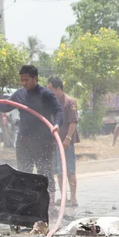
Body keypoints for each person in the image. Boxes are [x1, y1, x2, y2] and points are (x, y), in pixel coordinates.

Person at [0, 65, 63, 204]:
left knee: (44, 172)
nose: (24, 83)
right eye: (22, 80)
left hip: (43, 140)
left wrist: (56, 124)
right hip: (24, 139)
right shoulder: (19, 94)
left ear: (35, 78)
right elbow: (6, 106)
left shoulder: (45, 94)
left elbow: (58, 110)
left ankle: (49, 203)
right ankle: (26, 201)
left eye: (27, 80)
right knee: (24, 171)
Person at [47, 77, 80, 207]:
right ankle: (63, 197)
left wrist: (68, 138)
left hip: (66, 143)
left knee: (70, 170)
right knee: (59, 172)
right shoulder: (51, 103)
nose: (49, 92)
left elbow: (73, 122)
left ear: (59, 89)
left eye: (51, 89)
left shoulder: (69, 102)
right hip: (55, 143)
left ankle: (73, 198)